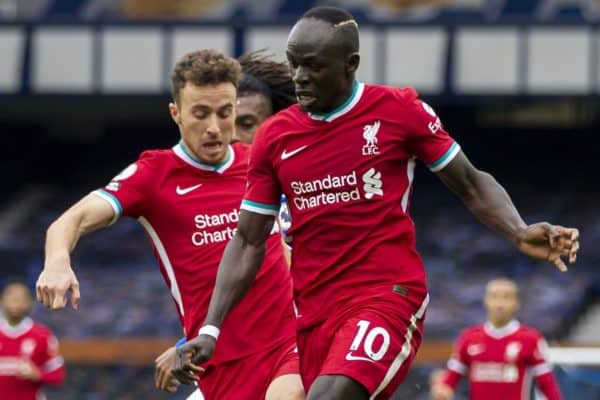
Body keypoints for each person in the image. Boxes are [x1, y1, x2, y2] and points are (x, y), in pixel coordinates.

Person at [172, 6, 580, 400]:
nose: (300, 77)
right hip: (315, 315)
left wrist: (518, 229)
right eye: (295, 63)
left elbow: (471, 183)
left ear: (350, 64)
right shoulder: (275, 137)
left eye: (313, 66)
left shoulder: (398, 111)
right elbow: (247, 241)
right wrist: (211, 330)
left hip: (387, 295)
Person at [35, 49, 304, 400]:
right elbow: (71, 220)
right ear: (175, 114)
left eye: (225, 113)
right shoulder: (153, 176)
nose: (214, 127)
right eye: (200, 113)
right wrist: (57, 262)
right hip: (220, 362)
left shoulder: (260, 162)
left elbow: (286, 249)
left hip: (290, 344)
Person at [153, 50, 298, 396]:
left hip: (297, 352)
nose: (228, 133)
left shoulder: (294, 194)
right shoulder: (224, 194)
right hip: (240, 359)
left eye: (246, 124)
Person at [430, 278, 562, 400]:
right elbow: (451, 379)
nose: (500, 303)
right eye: (494, 296)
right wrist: (442, 389)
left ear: (517, 303)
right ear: (486, 300)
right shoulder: (469, 337)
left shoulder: (531, 339)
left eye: (506, 297)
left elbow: (548, 385)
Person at [0, 280, 65, 399]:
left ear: (29, 303)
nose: (16, 303)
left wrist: (37, 374)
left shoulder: (42, 336)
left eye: (21, 299)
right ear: (2, 301)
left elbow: (58, 377)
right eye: (12, 298)